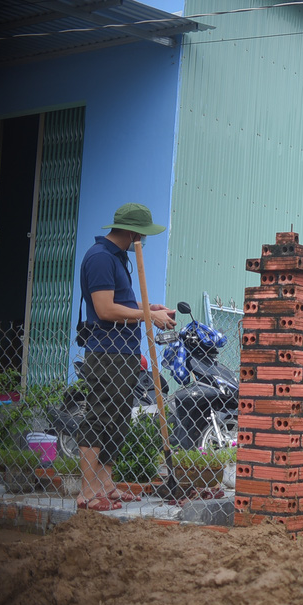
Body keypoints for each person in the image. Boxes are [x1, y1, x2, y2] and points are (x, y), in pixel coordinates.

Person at [77, 203, 175, 511]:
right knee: (99, 417)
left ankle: (106, 485)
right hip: (107, 352)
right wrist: (148, 316)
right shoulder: (101, 259)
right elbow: (105, 310)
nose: (144, 240)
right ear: (133, 231)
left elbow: (123, 303)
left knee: (117, 419)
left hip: (124, 352)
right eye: (143, 233)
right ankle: (87, 492)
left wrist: (151, 308)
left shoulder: (117, 258)